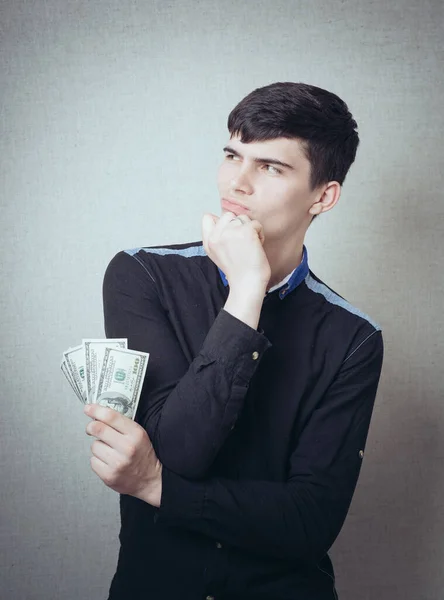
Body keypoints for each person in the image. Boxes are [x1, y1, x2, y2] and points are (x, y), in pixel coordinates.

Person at [84, 81, 384, 600]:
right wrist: (246, 294)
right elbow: (182, 450)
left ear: (324, 196)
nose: (235, 183)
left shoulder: (355, 337)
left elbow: (308, 524)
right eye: (232, 155)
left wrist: (157, 487)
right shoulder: (141, 275)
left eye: (270, 166)